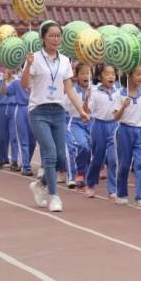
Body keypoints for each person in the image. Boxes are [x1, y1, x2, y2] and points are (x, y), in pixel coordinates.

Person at [23, 20, 89, 213]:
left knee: (61, 156)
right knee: (50, 153)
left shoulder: (66, 61)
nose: (55, 39)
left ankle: (40, 184)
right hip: (39, 112)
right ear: (43, 38)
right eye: (51, 35)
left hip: (59, 112)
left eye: (58, 36)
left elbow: (69, 88)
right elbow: (24, 84)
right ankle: (54, 196)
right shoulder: (34, 58)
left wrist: (82, 111)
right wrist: (27, 65)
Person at [113, 66, 141, 207]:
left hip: (140, 131)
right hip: (124, 130)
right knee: (124, 165)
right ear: (128, 75)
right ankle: (121, 194)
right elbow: (116, 117)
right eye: (138, 74)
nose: (140, 77)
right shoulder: (120, 94)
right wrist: (123, 106)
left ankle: (139, 196)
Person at [85, 64, 119, 199]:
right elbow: (87, 111)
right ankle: (91, 183)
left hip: (114, 126)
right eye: (107, 74)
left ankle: (113, 189)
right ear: (100, 77)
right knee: (97, 159)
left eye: (113, 74)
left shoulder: (118, 91)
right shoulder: (95, 92)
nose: (111, 76)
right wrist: (87, 97)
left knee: (113, 159)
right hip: (98, 126)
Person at [65, 63, 93, 189]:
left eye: (88, 73)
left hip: (89, 123)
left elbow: (89, 111)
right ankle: (78, 173)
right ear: (77, 75)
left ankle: (83, 175)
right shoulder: (72, 91)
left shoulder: (94, 90)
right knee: (82, 146)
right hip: (75, 122)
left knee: (89, 150)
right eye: (82, 73)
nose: (86, 76)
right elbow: (79, 110)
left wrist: (88, 96)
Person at [0, 68, 19, 171]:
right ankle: (1, 159)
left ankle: (15, 161)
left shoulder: (18, 78)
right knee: (2, 136)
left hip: (14, 107)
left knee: (14, 135)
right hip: (1, 107)